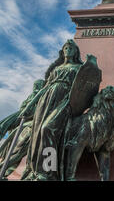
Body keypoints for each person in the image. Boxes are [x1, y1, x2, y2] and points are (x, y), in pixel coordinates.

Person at [21, 39, 83, 180]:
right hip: (47, 101)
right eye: (65, 48)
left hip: (64, 100)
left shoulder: (78, 68)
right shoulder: (56, 69)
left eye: (71, 48)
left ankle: (49, 170)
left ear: (75, 52)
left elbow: (82, 88)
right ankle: (35, 170)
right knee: (37, 134)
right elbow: (44, 89)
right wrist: (31, 106)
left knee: (47, 129)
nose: (68, 50)